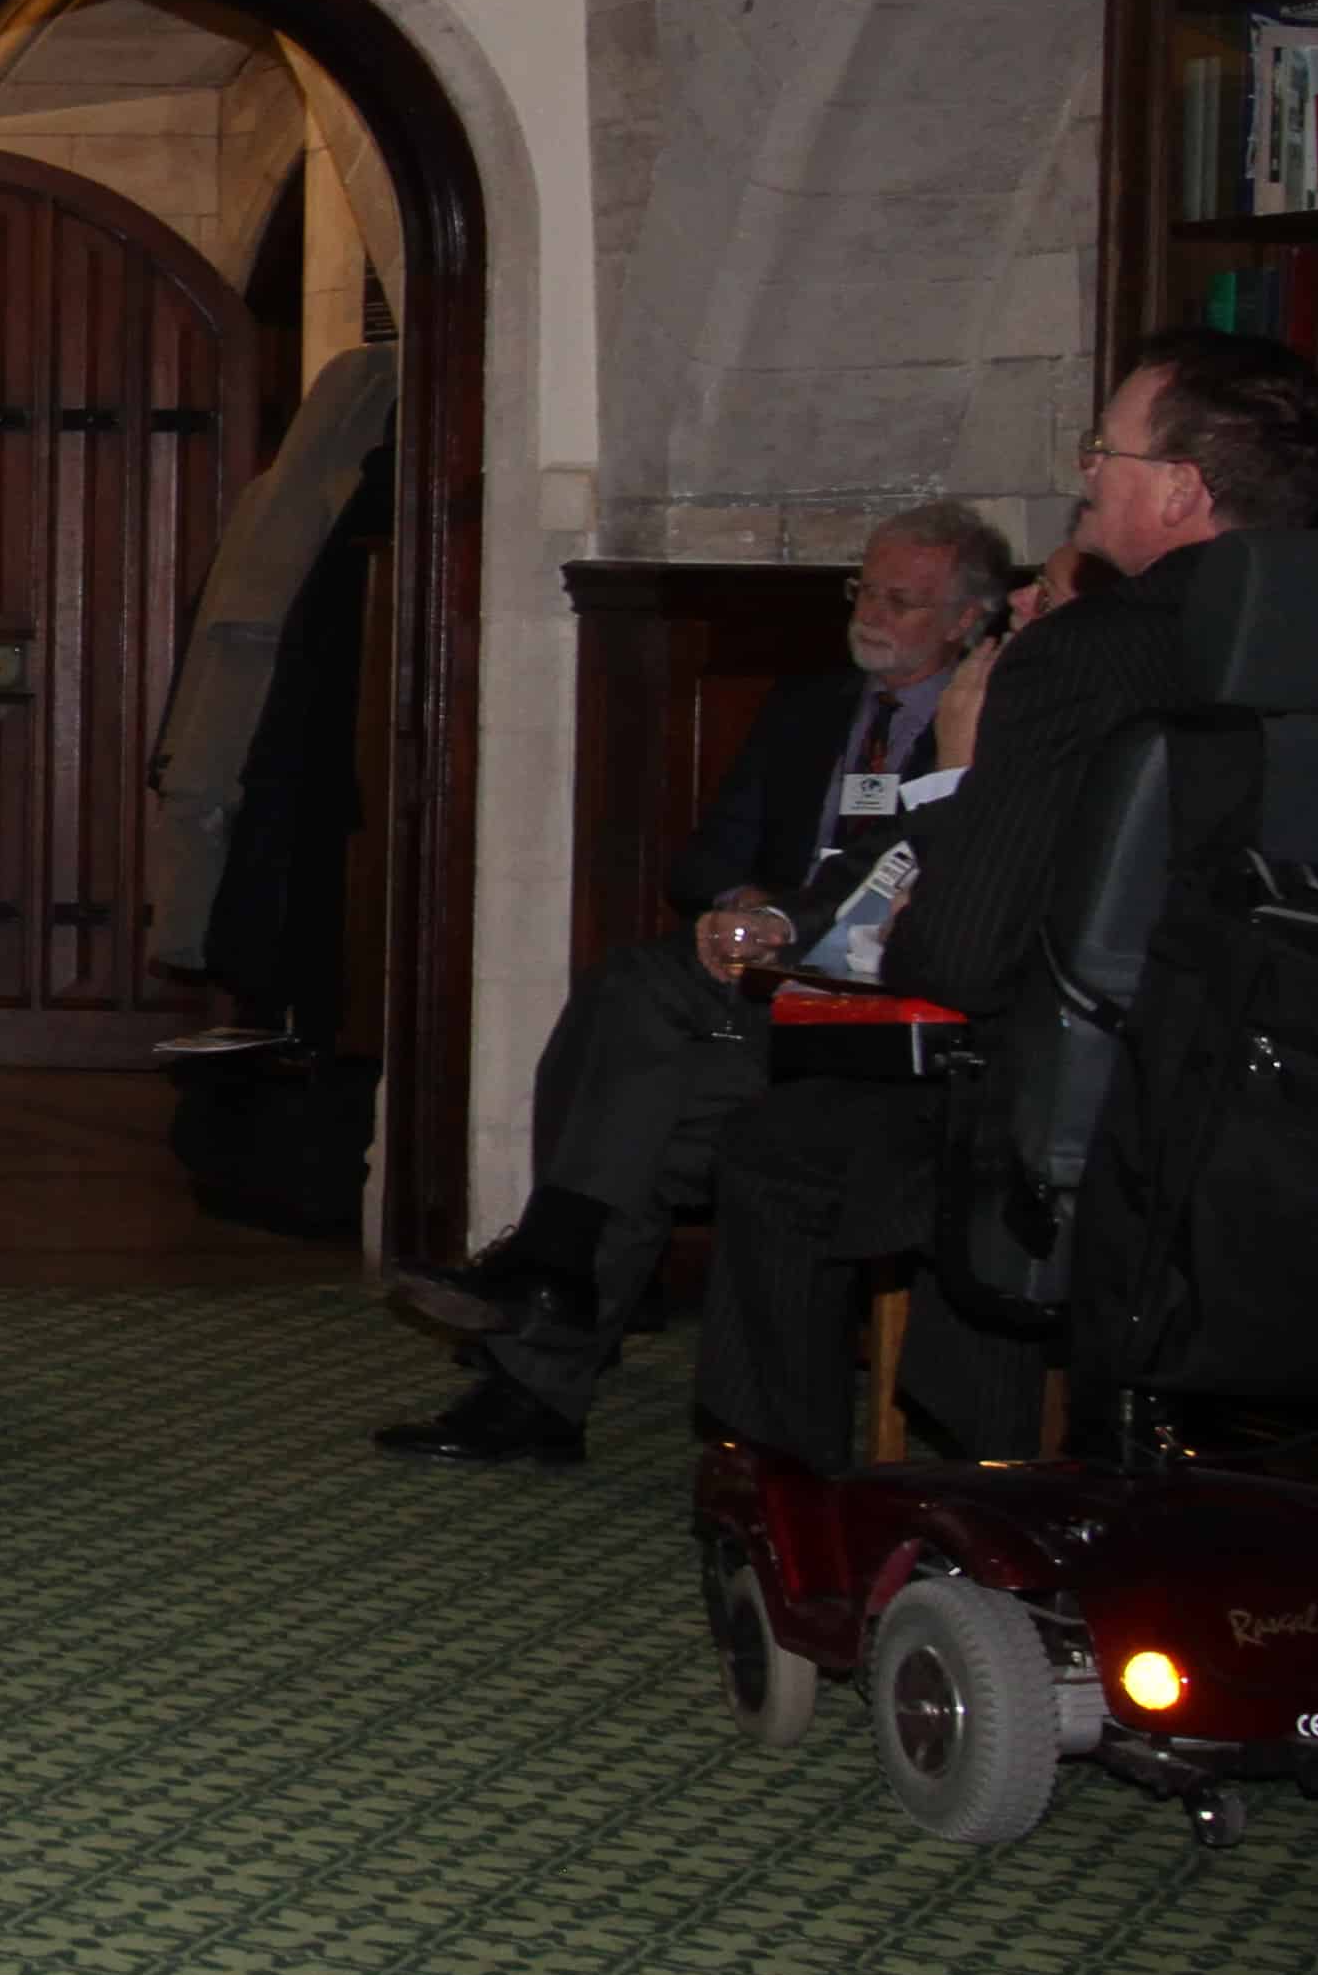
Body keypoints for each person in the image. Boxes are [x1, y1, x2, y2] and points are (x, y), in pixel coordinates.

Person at [694, 329, 1318, 1471]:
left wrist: (952, 771)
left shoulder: (1087, 655)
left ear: (1183, 490)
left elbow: (961, 956)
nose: (1086, 471)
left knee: (781, 1146)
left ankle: (801, 1502)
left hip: (1099, 1139)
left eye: (1107, 450)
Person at [370, 502, 1019, 1467]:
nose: (871, 614)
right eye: (863, 589)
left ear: (972, 622)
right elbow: (704, 858)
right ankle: (543, 1348)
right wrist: (741, 901)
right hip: (753, 991)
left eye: (903, 600)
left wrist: (787, 917)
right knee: (636, 1052)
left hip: (886, 1020)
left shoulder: (993, 739)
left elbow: (944, 891)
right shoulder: (810, 706)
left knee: (634, 1030)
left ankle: (544, 1322)